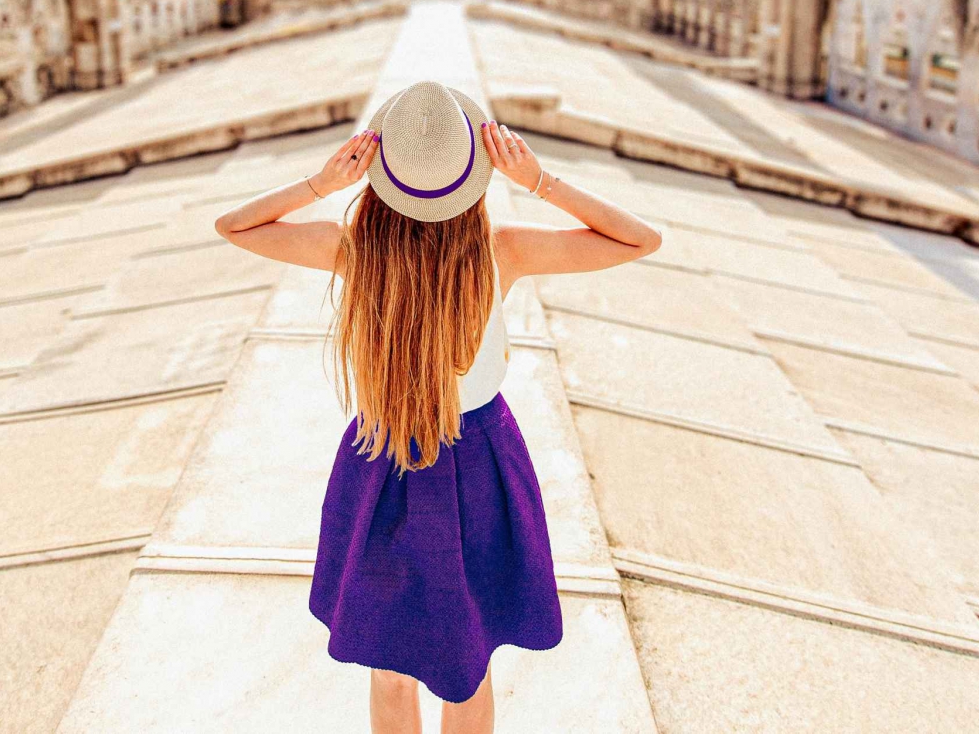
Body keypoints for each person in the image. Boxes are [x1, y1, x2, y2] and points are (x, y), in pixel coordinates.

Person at [213, 80, 661, 733]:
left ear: (380, 176)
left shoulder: (353, 251)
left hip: (381, 464)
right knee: (468, 668)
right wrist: (540, 179)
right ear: (473, 178)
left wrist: (319, 183)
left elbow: (234, 226)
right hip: (480, 464)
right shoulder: (500, 252)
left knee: (390, 671)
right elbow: (639, 240)